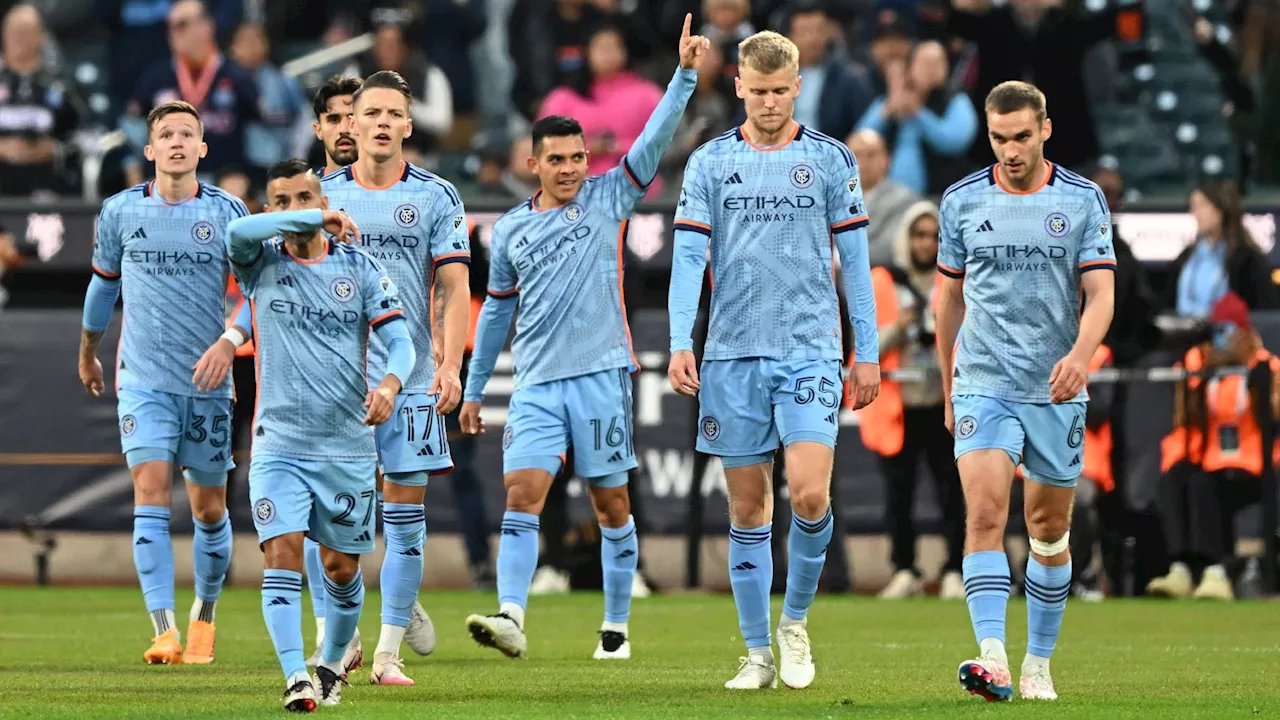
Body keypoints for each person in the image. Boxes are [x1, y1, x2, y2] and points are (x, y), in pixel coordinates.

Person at [459, 14, 707, 662]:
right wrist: (474, 390)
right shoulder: (509, 231)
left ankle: (617, 626)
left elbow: (650, 146)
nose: (570, 169)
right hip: (538, 383)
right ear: (532, 162)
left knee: (611, 503)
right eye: (557, 160)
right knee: (523, 493)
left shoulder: (609, 198)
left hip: (601, 376)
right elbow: (493, 316)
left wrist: (681, 78)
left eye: (577, 158)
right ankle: (512, 614)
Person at [667, 30, 879, 691]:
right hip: (731, 354)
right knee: (748, 509)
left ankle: (795, 622)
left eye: (778, 92)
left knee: (811, 494)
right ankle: (757, 653)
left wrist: (864, 350)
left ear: (796, 88)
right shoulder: (707, 163)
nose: (766, 103)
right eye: (755, 92)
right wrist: (681, 340)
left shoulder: (830, 160)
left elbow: (859, 265)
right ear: (738, 87)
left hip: (811, 350)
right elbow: (689, 259)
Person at [935, 80, 1116, 702]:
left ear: (1045, 130)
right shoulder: (960, 201)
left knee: (1047, 528)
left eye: (1020, 136)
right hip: (984, 381)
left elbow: (1101, 295)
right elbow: (950, 298)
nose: (1010, 150)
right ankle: (995, 659)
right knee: (984, 515)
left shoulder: (1084, 200)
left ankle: (1039, 663)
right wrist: (947, 379)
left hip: (1055, 389)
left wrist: (1080, 357)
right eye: (998, 138)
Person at [226, 159, 410, 710]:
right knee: (280, 552)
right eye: (281, 202)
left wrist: (391, 385)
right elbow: (237, 231)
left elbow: (400, 341)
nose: (293, 209)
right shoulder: (259, 264)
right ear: (271, 208)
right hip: (279, 443)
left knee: (341, 567)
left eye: (304, 196)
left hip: (346, 445)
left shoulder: (359, 267)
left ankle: (331, 663)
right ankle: (295, 677)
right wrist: (316, 215)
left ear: (321, 194)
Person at [78, 101, 250, 666]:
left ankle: (204, 617)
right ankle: (163, 629)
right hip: (143, 380)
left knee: (207, 510)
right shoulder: (120, 212)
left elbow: (256, 293)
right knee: (150, 490)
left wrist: (230, 340)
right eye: (166, 134)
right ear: (150, 150)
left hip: (206, 385)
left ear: (203, 148)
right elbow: (103, 286)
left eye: (187, 134)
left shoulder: (229, 212)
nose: (177, 142)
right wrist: (89, 351)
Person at [320, 70, 471, 686]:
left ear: (409, 126)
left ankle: (386, 654)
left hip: (405, 379)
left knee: (406, 513)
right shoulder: (320, 196)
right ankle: (345, 637)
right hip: (333, 380)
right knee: (326, 522)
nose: (382, 123)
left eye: (393, 114)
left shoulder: (437, 197)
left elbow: (456, 288)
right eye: (370, 112)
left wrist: (452, 363)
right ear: (349, 125)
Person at [861, 201, 965, 601]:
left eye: (935, 236)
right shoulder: (884, 281)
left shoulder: (956, 281)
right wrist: (900, 328)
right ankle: (904, 568)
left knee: (952, 492)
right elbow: (866, 346)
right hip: (899, 406)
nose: (927, 243)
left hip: (944, 404)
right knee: (898, 494)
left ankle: (955, 567)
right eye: (919, 235)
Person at [1147, 292, 1277, 601]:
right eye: (1215, 331)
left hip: (1253, 466)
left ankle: (1215, 569)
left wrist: (1257, 382)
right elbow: (1183, 417)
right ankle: (1181, 568)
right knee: (1174, 481)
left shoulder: (1266, 365)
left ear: (1243, 331)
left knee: (1203, 485)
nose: (1220, 339)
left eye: (1226, 330)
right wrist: (1197, 375)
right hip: (1209, 459)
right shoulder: (1200, 364)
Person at [301, 73, 363, 668]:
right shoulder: (301, 195)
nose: (348, 128)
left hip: (390, 370)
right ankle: (333, 630)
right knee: (321, 516)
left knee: (395, 504)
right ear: (319, 127)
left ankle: (392, 598)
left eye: (357, 114)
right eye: (337, 117)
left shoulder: (397, 185)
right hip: (320, 375)